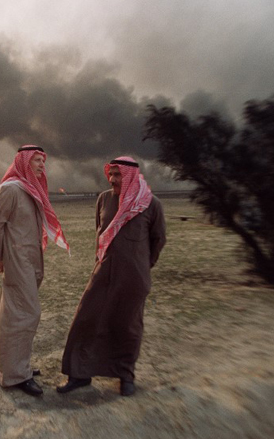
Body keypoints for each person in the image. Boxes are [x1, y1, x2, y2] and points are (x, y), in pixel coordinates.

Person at [57, 156, 166, 396]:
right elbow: (100, 232)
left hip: (134, 277)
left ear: (131, 175)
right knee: (86, 318)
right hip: (104, 271)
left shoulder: (151, 203)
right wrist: (101, 262)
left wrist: (143, 266)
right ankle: (79, 374)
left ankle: (126, 376)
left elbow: (159, 239)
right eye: (111, 174)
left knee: (127, 326)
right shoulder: (104, 199)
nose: (113, 179)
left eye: (118, 175)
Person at [0, 145, 69, 397]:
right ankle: (16, 375)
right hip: (17, 259)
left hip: (31, 258)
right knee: (27, 313)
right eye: (37, 161)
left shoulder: (31, 188)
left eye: (43, 161)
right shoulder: (11, 189)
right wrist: (0, 257)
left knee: (13, 314)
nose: (42, 165)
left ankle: (10, 364)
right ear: (23, 161)